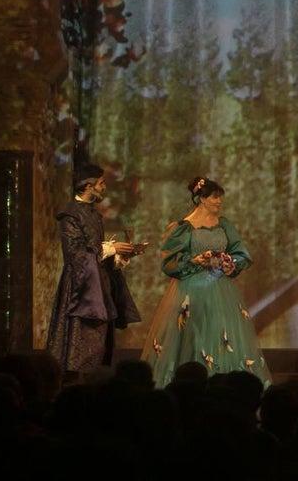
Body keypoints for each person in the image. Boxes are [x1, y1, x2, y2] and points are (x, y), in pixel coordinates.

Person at [140, 176, 272, 390]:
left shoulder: (224, 224)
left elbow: (240, 252)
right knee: (195, 335)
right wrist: (195, 260)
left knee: (221, 334)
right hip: (193, 290)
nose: (219, 201)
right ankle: (192, 386)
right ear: (201, 198)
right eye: (214, 197)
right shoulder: (184, 228)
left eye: (220, 197)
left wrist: (231, 264)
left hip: (221, 289)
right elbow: (169, 262)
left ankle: (223, 385)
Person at [46, 162, 142, 383]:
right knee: (80, 340)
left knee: (99, 344)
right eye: (100, 183)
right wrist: (110, 248)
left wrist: (119, 255)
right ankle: (76, 386)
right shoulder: (70, 215)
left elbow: (95, 251)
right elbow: (75, 254)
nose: (104, 187)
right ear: (88, 186)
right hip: (81, 289)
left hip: (99, 284)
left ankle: (95, 383)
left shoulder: (93, 213)